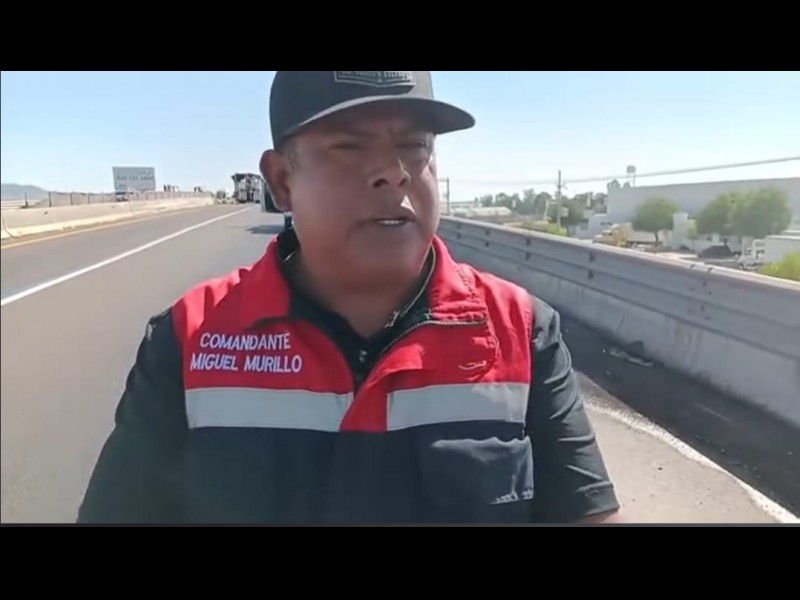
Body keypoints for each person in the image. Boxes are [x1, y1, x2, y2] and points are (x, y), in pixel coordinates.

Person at [77, 71, 622, 524]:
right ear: (281, 181)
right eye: (349, 146)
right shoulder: (192, 338)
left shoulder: (520, 330)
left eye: (415, 146)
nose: (394, 173)